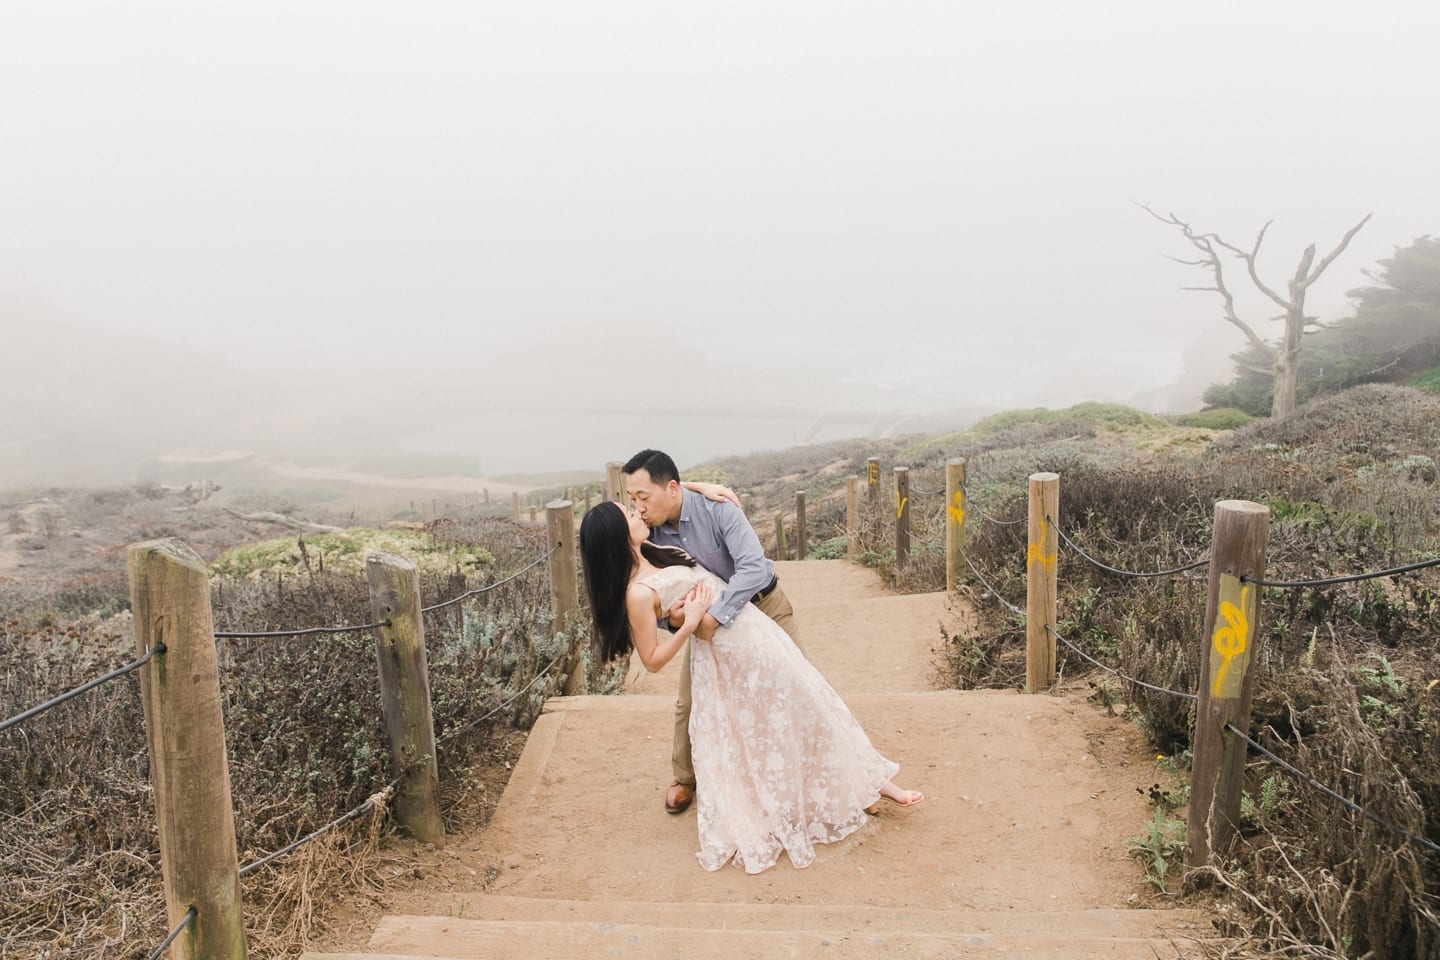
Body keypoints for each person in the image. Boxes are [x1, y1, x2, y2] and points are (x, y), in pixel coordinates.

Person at [578, 499, 923, 874]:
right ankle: (870, 786)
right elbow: (653, 659)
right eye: (628, 513)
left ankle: (867, 784)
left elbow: (677, 499)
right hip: (731, 655)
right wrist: (690, 622)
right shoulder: (637, 593)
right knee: (788, 715)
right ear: (616, 534)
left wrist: (702, 486)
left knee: (811, 701)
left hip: (754, 632)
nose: (637, 512)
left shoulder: (654, 551)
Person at [622, 449, 800, 816]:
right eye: (632, 499)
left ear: (671, 488)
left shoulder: (718, 508)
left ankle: (806, 772)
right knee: (689, 700)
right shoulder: (645, 534)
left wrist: (712, 618)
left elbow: (751, 569)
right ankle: (685, 776)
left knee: (795, 685)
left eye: (643, 497)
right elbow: (656, 598)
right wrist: (676, 622)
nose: (637, 507)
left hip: (762, 606)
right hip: (702, 624)